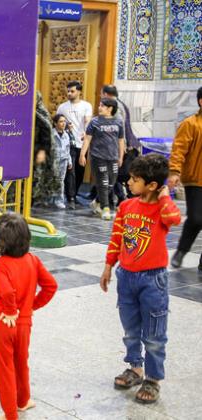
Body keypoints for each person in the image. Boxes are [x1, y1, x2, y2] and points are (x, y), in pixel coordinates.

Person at [100, 153, 181, 404]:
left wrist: (165, 195)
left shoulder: (161, 208)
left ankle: (154, 378)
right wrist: (107, 266)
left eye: (135, 180)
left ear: (152, 185)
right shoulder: (126, 206)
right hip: (126, 277)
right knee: (131, 330)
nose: (129, 183)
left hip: (153, 280)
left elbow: (174, 219)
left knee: (155, 335)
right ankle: (135, 368)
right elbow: (117, 238)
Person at [0, 213, 57, 420]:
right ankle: (23, 401)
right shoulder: (33, 260)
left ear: (1, 241)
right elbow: (51, 286)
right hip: (24, 323)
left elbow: (7, 292)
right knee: (20, 362)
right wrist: (30, 306)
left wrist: (10, 310)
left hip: (2, 322)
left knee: (4, 369)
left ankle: (10, 415)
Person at [169, 86, 202, 272]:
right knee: (197, 218)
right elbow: (178, 149)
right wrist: (174, 171)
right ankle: (181, 251)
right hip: (196, 179)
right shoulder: (190, 124)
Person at [79, 97, 125, 220]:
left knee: (111, 183)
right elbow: (87, 139)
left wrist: (121, 157)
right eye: (99, 105)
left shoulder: (119, 122)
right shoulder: (94, 122)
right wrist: (82, 154)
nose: (99, 108)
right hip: (98, 156)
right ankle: (105, 208)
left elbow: (121, 141)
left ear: (110, 108)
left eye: (102, 106)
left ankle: (97, 201)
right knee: (103, 183)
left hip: (113, 157)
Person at [102, 84, 141, 204]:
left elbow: (119, 128)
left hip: (122, 146)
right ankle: (119, 198)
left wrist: (120, 149)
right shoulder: (121, 104)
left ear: (106, 94)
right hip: (128, 145)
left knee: (118, 174)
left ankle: (124, 199)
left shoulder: (115, 107)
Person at [57, 80, 93, 197]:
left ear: (79, 92)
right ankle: (70, 197)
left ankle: (74, 194)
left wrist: (86, 133)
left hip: (82, 144)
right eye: (68, 91)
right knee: (70, 171)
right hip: (68, 143)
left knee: (79, 171)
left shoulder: (86, 106)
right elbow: (57, 122)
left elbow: (88, 121)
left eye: (72, 91)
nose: (69, 93)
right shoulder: (62, 107)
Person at [33, 92, 60, 208]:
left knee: (38, 176)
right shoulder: (32, 111)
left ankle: (35, 199)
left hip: (41, 150)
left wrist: (42, 151)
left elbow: (46, 134)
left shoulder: (40, 113)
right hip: (32, 150)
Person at [52, 114, 72, 209]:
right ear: (55, 123)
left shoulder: (66, 135)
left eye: (64, 121)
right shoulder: (51, 134)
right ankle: (46, 199)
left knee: (60, 181)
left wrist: (69, 161)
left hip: (63, 161)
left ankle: (59, 200)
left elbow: (68, 149)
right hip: (53, 161)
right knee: (50, 180)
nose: (63, 123)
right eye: (61, 121)